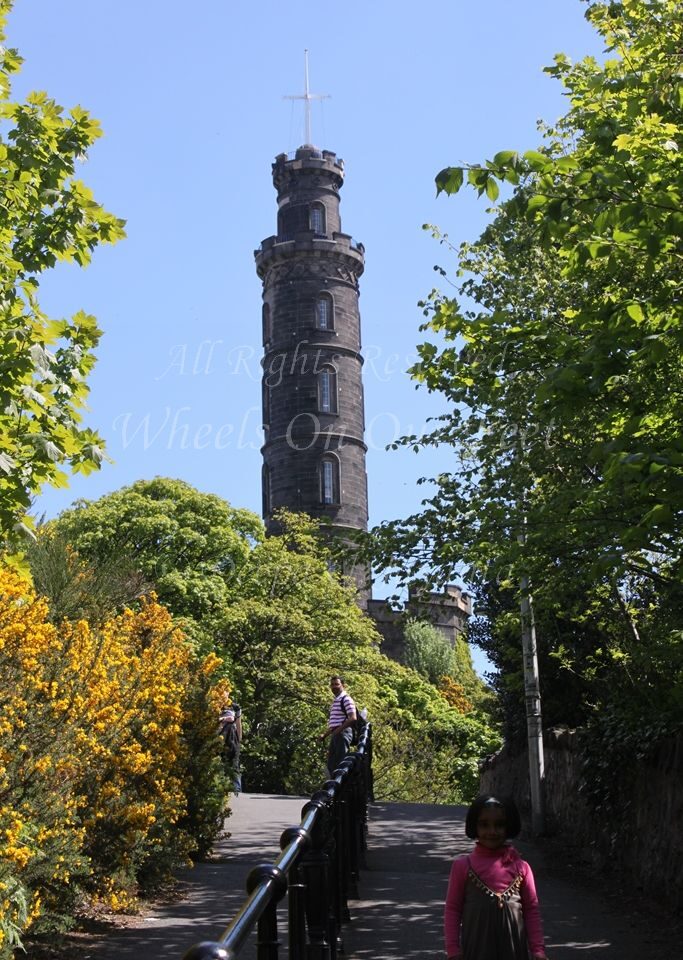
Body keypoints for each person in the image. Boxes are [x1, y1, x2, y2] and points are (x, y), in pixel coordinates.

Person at [444, 795, 548, 960]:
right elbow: (453, 910)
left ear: (509, 827)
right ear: (474, 827)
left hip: (514, 951)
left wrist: (538, 949)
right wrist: (453, 950)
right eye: (484, 825)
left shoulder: (522, 868)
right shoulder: (462, 867)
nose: (492, 831)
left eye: (499, 825)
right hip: (476, 951)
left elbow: (531, 910)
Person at [319, 674, 357, 777]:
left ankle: (340, 789)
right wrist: (325, 735)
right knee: (332, 764)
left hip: (343, 733)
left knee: (340, 763)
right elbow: (335, 723)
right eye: (332, 684)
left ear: (343, 685)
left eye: (337, 684)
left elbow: (353, 718)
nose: (334, 686)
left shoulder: (346, 699)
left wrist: (338, 730)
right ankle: (333, 788)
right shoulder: (337, 700)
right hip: (337, 733)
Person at [218, 701, 242, 793]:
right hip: (217, 741)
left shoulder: (233, 707)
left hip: (232, 742)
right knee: (218, 768)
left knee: (234, 767)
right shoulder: (214, 704)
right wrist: (224, 719)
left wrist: (238, 715)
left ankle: (236, 791)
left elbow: (238, 727)